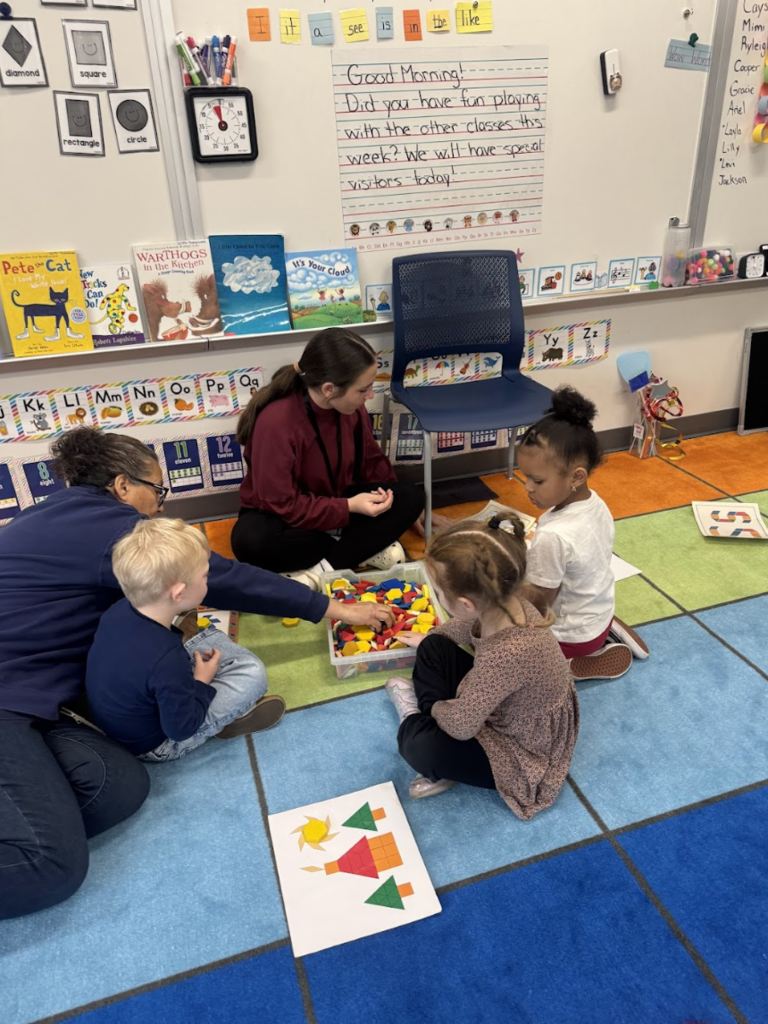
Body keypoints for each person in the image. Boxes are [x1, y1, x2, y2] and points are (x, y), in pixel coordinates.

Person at [0, 428, 393, 921]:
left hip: (41, 695)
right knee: (52, 866)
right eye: (157, 490)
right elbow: (230, 580)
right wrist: (334, 608)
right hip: (12, 699)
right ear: (122, 486)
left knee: (119, 787)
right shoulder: (118, 536)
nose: (160, 504)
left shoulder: (47, 516)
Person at [384, 512, 579, 819]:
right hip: (503, 704)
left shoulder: (506, 656)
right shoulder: (508, 603)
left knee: (416, 746)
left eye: (439, 593)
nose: (437, 596)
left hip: (519, 748)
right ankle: (434, 721)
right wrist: (430, 639)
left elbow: (461, 727)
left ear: (465, 604)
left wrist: (438, 709)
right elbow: (467, 626)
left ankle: (415, 715)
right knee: (433, 646)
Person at [231, 327, 426, 588]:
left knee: (411, 496)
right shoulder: (276, 422)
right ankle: (355, 552)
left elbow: (371, 462)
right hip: (284, 516)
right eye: (363, 389)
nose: (370, 396)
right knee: (250, 542)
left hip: (336, 504)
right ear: (329, 389)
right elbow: (281, 504)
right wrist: (348, 508)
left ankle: (319, 569)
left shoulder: (350, 408)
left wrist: (398, 505)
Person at [86, 518, 285, 761]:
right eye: (205, 576)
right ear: (179, 593)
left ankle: (195, 657)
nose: (208, 580)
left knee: (206, 643)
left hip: (127, 711)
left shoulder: (118, 609)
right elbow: (181, 729)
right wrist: (201, 681)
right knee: (253, 672)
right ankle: (227, 720)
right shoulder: (166, 659)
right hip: (159, 743)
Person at [516, 385, 649, 681]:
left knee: (501, 651)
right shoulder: (595, 503)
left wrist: (502, 598)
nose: (527, 487)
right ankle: (605, 632)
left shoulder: (554, 536)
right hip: (599, 612)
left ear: (576, 477)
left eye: (537, 480)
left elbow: (538, 604)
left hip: (569, 638)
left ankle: (571, 665)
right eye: (525, 477)